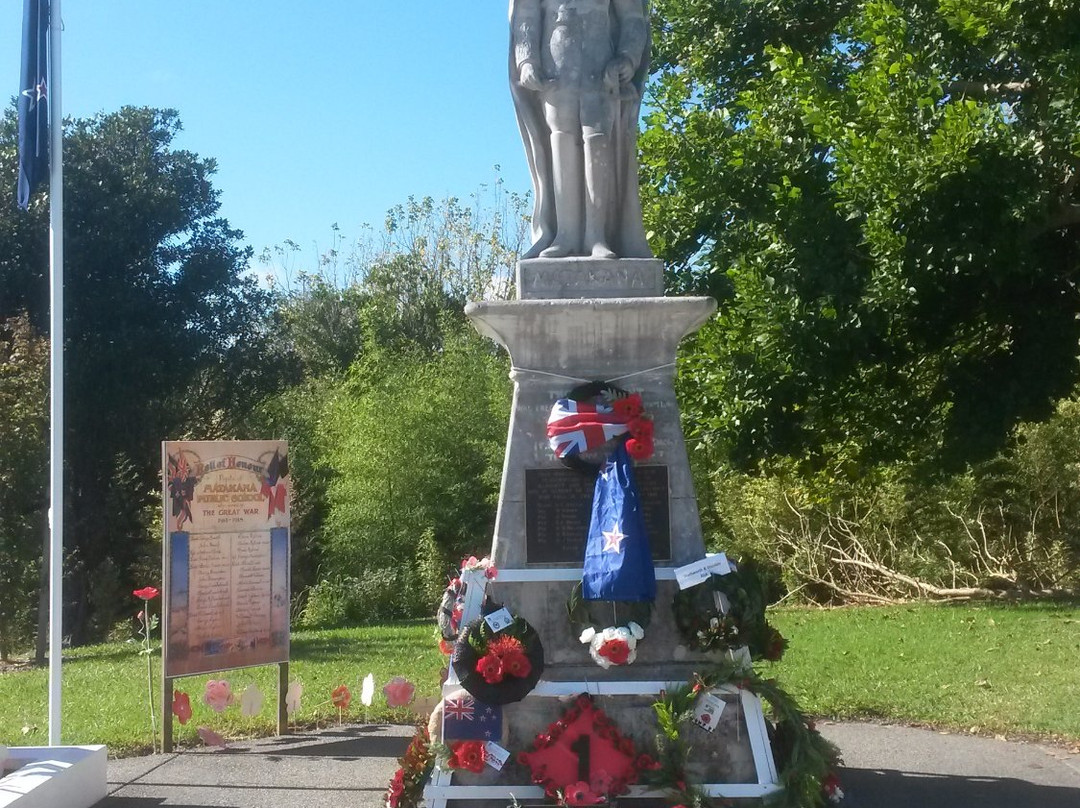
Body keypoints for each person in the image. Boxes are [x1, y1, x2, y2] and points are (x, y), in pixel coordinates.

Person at [509, 0, 653, 259]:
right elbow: (525, 16)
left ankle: (597, 236)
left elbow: (633, 17)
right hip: (556, 68)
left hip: (600, 68)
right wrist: (526, 61)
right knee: (561, 141)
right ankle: (565, 235)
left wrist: (628, 58)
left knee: (597, 139)